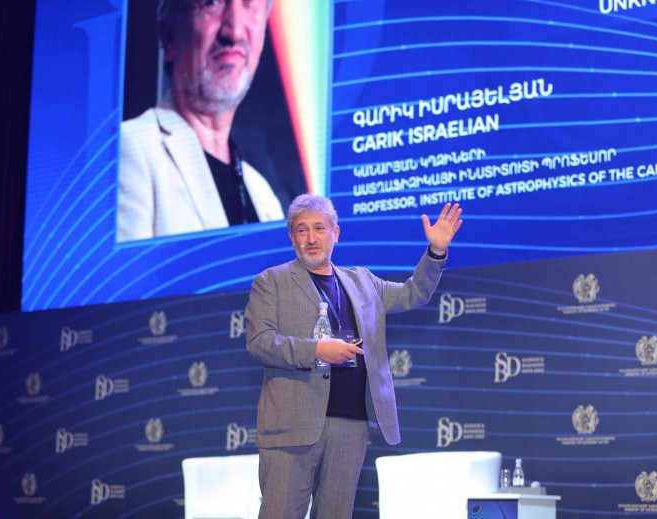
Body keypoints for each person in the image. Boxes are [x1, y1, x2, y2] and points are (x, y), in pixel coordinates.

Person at [245, 194, 463, 518]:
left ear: (336, 233)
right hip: (292, 427)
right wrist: (316, 350)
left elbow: (414, 293)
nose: (311, 238)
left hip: (350, 425)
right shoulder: (271, 281)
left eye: (320, 228)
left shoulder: (362, 281)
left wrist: (436, 252)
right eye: (302, 230)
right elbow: (259, 342)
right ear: (292, 237)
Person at [117, 0, 283, 242]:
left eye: (249, 4)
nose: (235, 32)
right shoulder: (128, 151)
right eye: (212, 3)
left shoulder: (264, 197)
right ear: (170, 36)